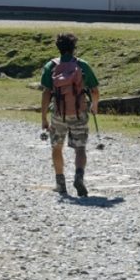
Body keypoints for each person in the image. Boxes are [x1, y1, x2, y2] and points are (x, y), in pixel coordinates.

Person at [40, 32, 100, 197]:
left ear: (58, 48)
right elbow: (94, 90)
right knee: (80, 148)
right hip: (79, 112)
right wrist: (94, 106)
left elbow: (46, 93)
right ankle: (79, 176)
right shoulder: (82, 65)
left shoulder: (50, 66)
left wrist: (44, 117)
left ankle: (60, 184)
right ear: (74, 48)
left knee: (56, 147)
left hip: (58, 114)